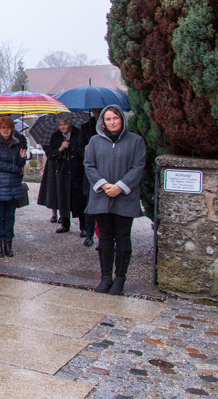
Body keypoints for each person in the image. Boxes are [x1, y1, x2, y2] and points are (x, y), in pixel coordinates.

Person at [84, 106, 146, 296]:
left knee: (123, 238)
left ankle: (120, 279)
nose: (112, 122)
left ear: (122, 119)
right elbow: (89, 165)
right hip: (101, 196)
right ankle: (105, 278)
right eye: (108, 119)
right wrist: (104, 185)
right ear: (103, 122)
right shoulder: (95, 141)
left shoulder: (135, 141)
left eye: (115, 118)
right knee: (104, 238)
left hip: (125, 197)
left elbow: (138, 167)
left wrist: (120, 186)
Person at [0, 116, 27, 259]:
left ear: (12, 129)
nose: (6, 130)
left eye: (8, 128)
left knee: (10, 216)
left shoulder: (17, 143)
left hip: (13, 186)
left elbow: (20, 164)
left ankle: (8, 244)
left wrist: (22, 159)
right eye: (3, 127)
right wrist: (16, 169)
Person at [48, 114, 88, 237]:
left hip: (77, 170)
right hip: (62, 170)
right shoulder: (56, 136)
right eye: (60, 125)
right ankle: (65, 223)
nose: (63, 127)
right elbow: (50, 155)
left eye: (65, 124)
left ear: (70, 124)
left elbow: (82, 151)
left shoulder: (78, 133)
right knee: (63, 197)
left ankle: (83, 227)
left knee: (79, 199)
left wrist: (74, 148)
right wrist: (60, 149)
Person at [80, 108, 103, 247]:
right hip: (90, 172)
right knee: (90, 204)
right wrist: (85, 149)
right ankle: (89, 234)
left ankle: (102, 237)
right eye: (95, 110)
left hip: (105, 171)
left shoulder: (107, 128)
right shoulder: (86, 127)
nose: (97, 112)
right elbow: (79, 147)